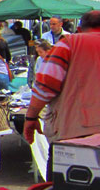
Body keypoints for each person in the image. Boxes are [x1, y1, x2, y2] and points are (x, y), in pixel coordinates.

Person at [24, 11, 100, 155]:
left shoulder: (69, 44)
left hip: (75, 134)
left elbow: (45, 86)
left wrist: (31, 117)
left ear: (79, 29)